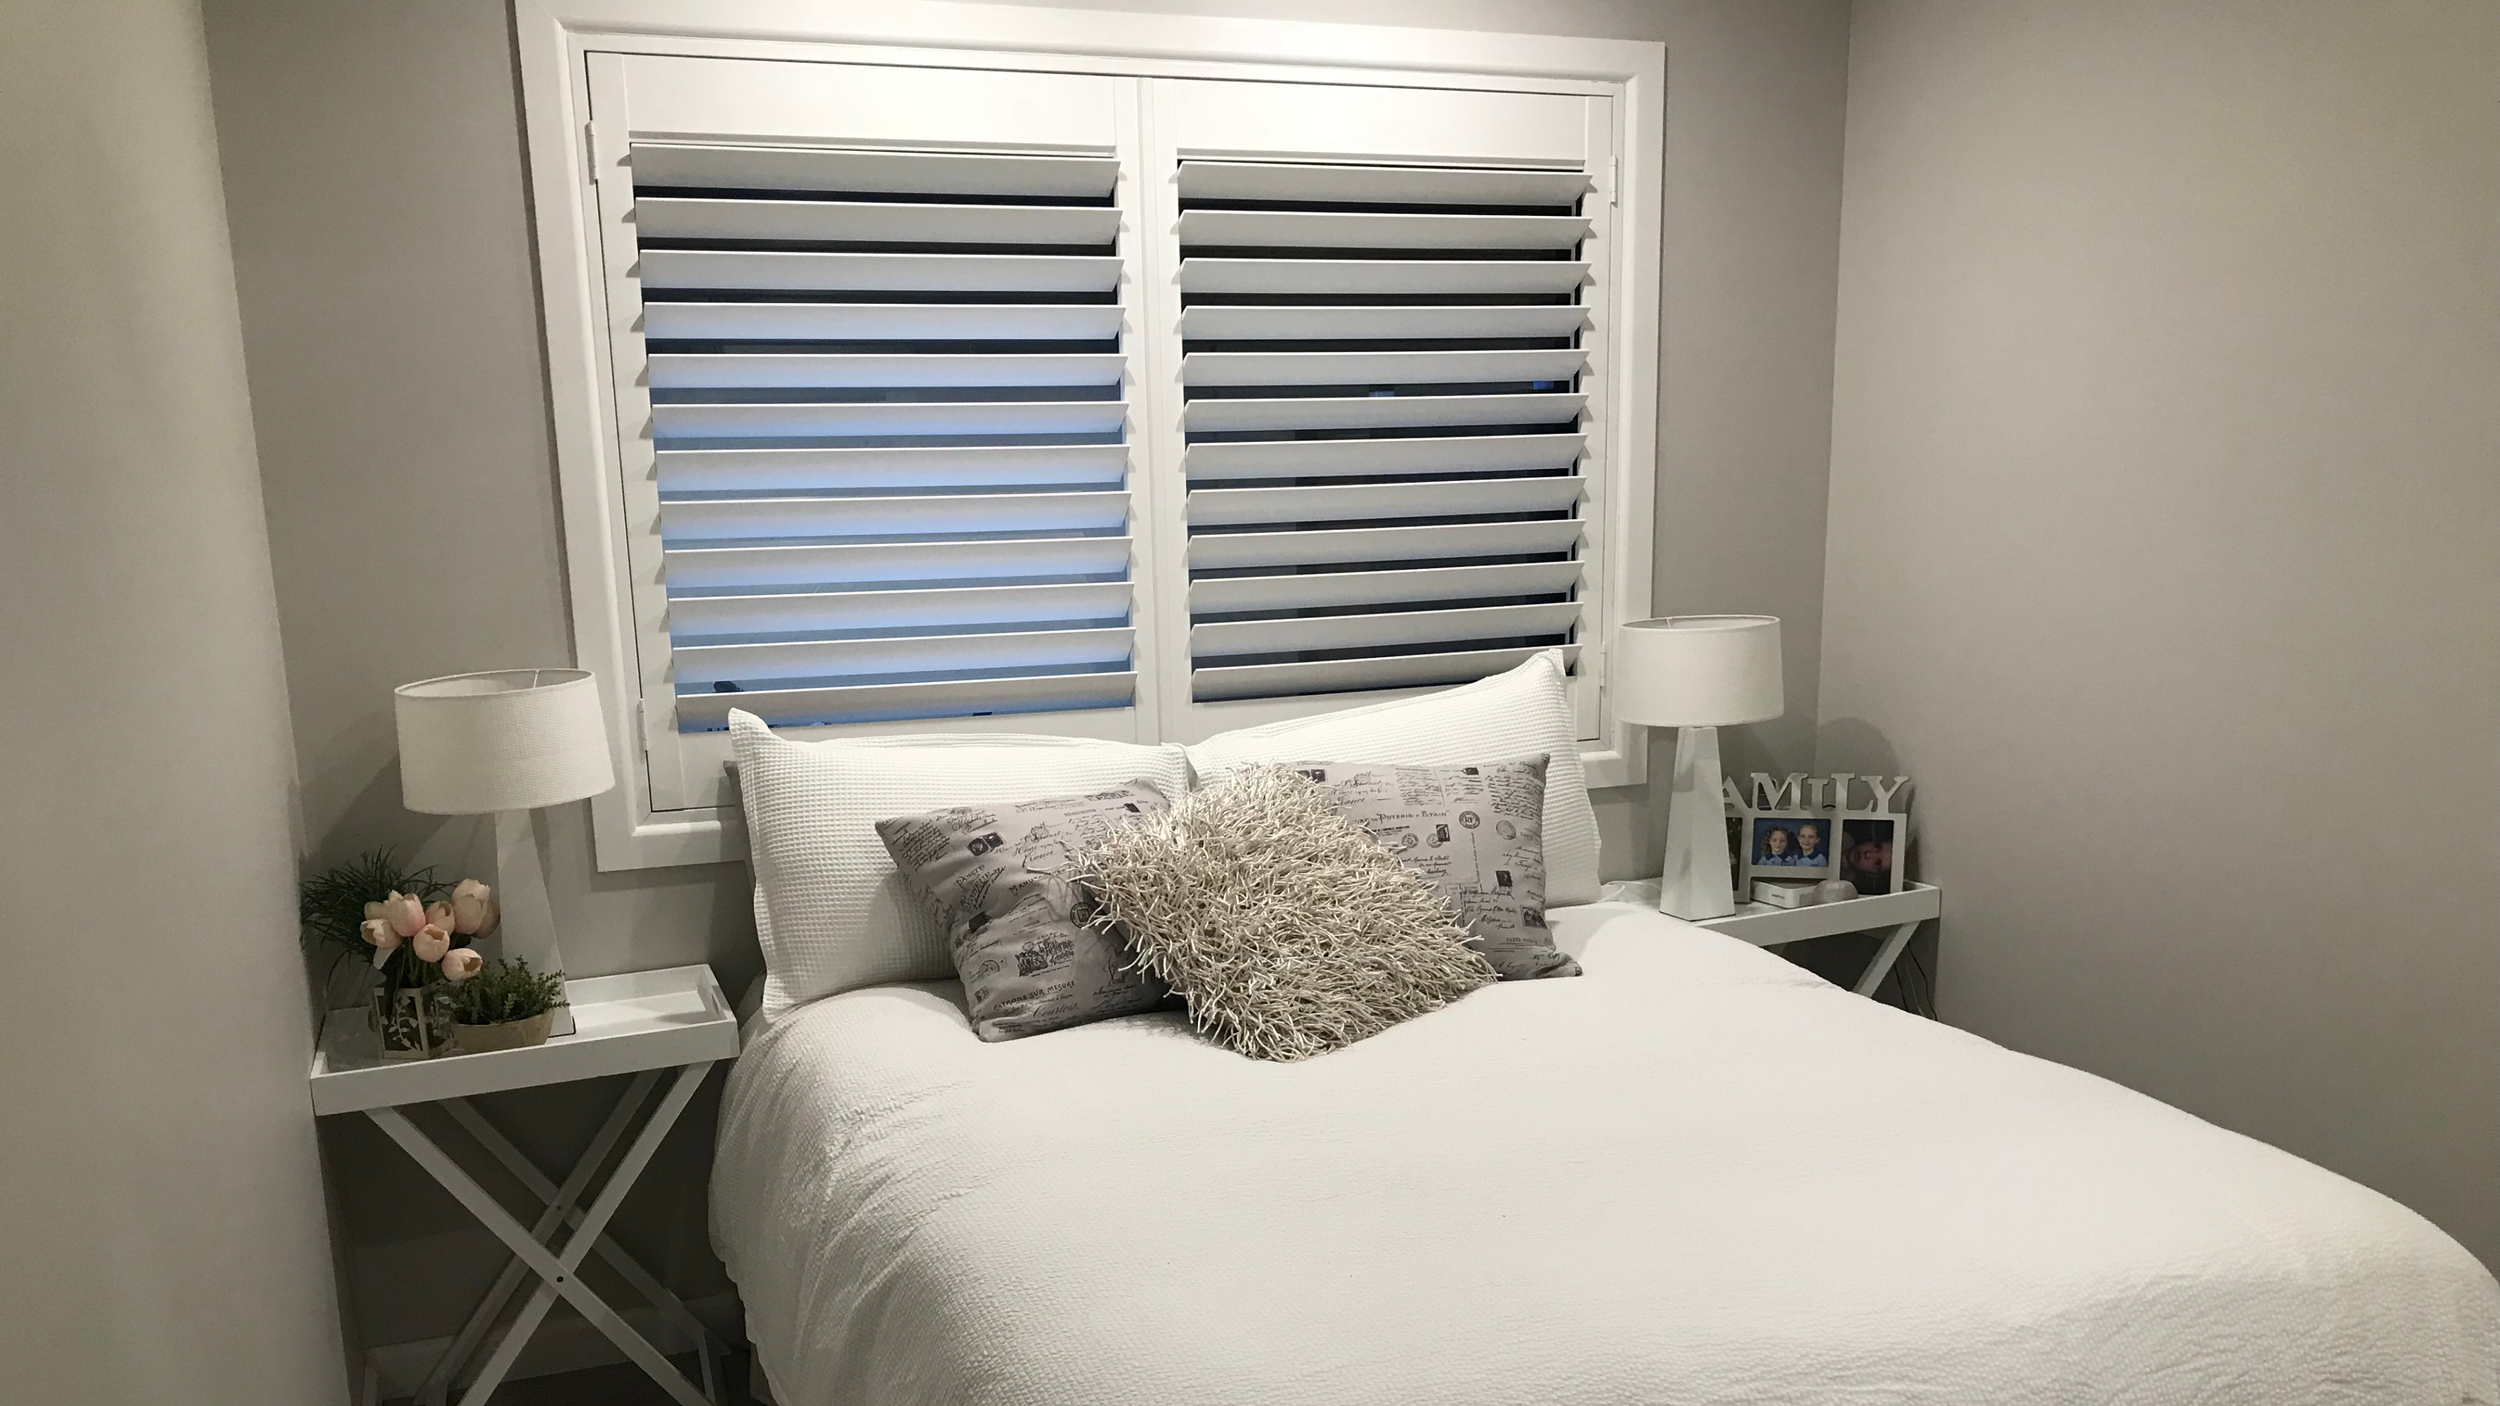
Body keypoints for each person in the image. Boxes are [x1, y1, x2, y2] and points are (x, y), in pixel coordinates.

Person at [1843, 827, 1893, 892]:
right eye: (1877, 846)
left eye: (1877, 863)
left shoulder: (1845, 890)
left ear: (1872, 874)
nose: (1868, 854)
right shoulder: (1838, 832)